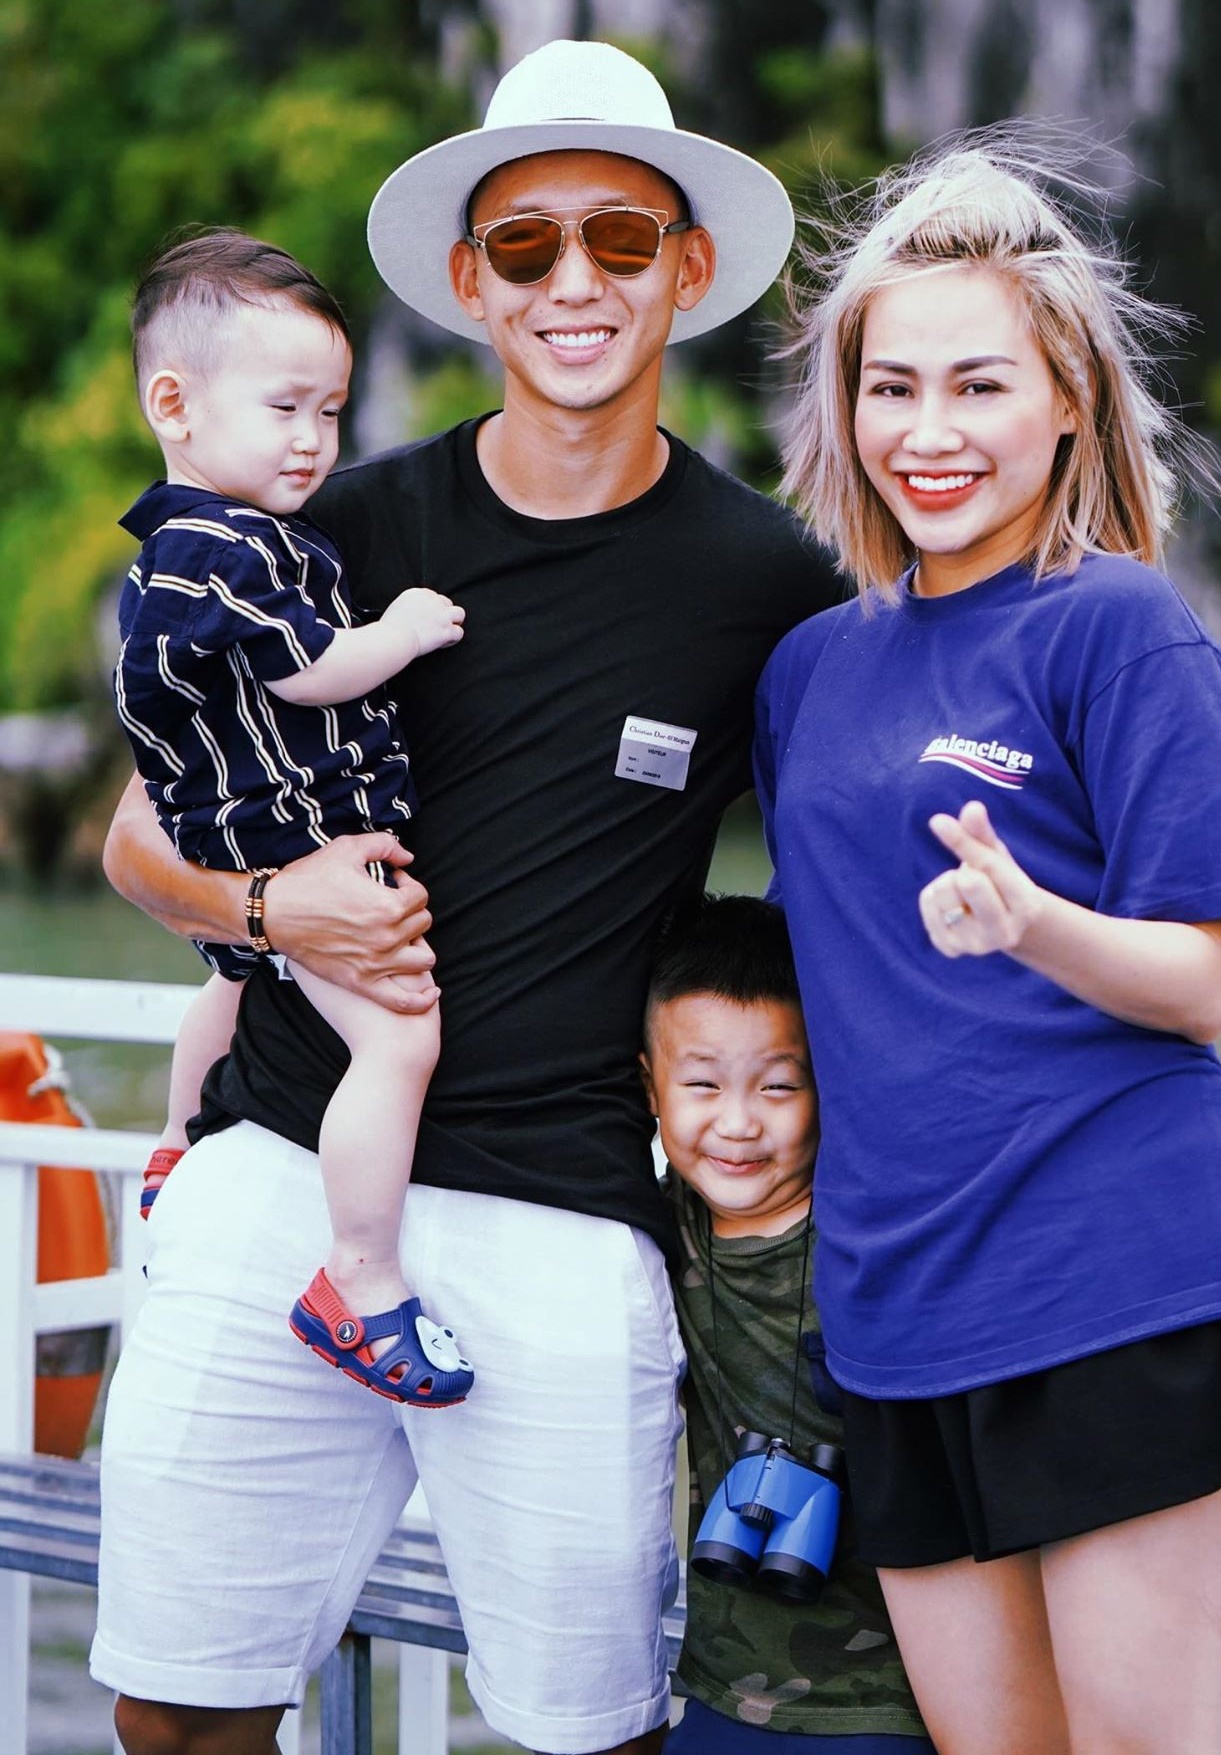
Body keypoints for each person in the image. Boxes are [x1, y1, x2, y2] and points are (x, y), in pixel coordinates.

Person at [91, 38, 839, 1755]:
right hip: (281, 1166)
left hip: (564, 1207)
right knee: (175, 1713)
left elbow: (847, 879)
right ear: (470, 280)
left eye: (619, 239)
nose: (573, 282)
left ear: (686, 270)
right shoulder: (326, 528)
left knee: (591, 1731)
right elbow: (138, 835)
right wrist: (272, 916)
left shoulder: (765, 584)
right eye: (525, 244)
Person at [754, 135, 1221, 1755]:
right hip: (892, 1306)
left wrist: (1032, 922)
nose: (929, 432)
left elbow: (1202, 982)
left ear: (1068, 403)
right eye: (891, 388)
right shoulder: (808, 669)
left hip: (1111, 1278)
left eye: (979, 386)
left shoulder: (1121, 629)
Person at [117, 229, 473, 1408]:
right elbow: (311, 670)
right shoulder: (227, 549)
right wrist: (401, 630)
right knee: (398, 1039)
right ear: (174, 404)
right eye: (284, 409)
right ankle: (358, 1278)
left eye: (328, 410)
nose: (315, 439)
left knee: (229, 978)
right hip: (296, 833)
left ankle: (175, 1143)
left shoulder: (177, 545)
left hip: (227, 831)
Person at [640, 895, 932, 1753]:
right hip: (722, 1680)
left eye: (777, 1085)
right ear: (648, 1085)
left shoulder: (871, 1235)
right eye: (701, 1085)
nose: (737, 1123)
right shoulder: (658, 1223)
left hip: (896, 1696)